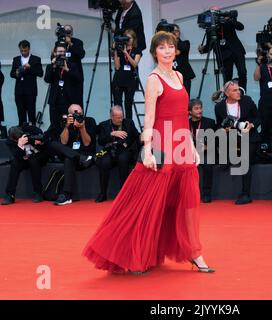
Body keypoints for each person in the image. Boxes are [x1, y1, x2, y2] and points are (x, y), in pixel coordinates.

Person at [83, 31, 214, 274]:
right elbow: (149, 118)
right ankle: (134, 253)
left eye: (171, 46)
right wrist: (148, 150)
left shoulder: (179, 75)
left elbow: (182, 117)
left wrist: (192, 146)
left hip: (181, 145)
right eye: (162, 47)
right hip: (161, 144)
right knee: (148, 203)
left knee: (186, 203)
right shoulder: (154, 79)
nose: (167, 50)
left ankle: (195, 252)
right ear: (154, 53)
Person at [215, 80, 261, 205]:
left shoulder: (247, 100)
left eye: (238, 89)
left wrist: (251, 125)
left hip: (249, 136)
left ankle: (246, 194)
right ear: (227, 93)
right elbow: (219, 124)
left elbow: (258, 117)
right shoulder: (219, 107)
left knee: (245, 163)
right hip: (231, 137)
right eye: (234, 90)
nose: (238, 92)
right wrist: (224, 129)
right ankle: (226, 159)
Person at [47, 104, 96, 205]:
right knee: (54, 144)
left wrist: (82, 128)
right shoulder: (65, 122)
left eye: (80, 113)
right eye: (74, 114)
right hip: (78, 157)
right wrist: (67, 127)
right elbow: (63, 142)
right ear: (69, 115)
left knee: (68, 159)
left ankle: (66, 195)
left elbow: (87, 143)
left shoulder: (90, 121)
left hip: (86, 154)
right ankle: (79, 157)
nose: (77, 116)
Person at [95, 105, 140, 203]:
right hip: (111, 151)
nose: (121, 119)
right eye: (118, 117)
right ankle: (103, 193)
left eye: (121, 116)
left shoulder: (129, 123)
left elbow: (137, 136)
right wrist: (111, 134)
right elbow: (101, 141)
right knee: (104, 162)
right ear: (112, 116)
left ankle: (123, 193)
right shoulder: (104, 125)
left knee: (123, 159)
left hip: (125, 151)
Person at [198, 6, 247, 91]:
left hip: (237, 51)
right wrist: (202, 50)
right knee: (227, 77)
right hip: (223, 55)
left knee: (242, 73)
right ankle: (228, 95)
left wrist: (231, 19)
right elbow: (210, 44)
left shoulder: (227, 20)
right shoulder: (210, 28)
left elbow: (241, 27)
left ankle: (242, 92)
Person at [1, 125, 49, 205]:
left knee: (33, 160)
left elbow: (44, 137)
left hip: (39, 156)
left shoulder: (29, 129)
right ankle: (10, 195)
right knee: (15, 163)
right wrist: (20, 145)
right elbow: (16, 155)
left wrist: (41, 142)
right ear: (12, 139)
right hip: (24, 159)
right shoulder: (10, 142)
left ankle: (38, 192)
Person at [44, 43, 82, 130]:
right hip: (55, 101)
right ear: (55, 53)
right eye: (59, 51)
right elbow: (47, 79)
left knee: (69, 125)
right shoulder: (50, 66)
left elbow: (78, 79)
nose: (61, 54)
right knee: (55, 125)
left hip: (68, 101)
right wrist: (53, 66)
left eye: (63, 52)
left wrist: (67, 69)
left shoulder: (71, 65)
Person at [188, 99, 216, 203]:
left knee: (207, 164)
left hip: (205, 152)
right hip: (188, 153)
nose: (200, 110)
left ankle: (206, 194)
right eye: (196, 108)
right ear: (190, 112)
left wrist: (206, 147)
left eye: (200, 108)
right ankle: (188, 194)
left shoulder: (210, 122)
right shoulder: (185, 123)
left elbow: (215, 141)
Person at [10, 40, 43, 126]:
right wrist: (16, 73)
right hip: (19, 92)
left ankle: (33, 134)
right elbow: (11, 74)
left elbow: (40, 73)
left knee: (31, 114)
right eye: (22, 51)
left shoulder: (36, 59)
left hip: (31, 91)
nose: (23, 52)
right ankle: (21, 134)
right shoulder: (16, 59)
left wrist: (30, 68)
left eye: (25, 50)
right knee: (21, 114)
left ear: (29, 49)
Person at [113, 29, 142, 120]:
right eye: (126, 38)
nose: (128, 40)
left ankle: (128, 127)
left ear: (133, 39)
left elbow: (134, 64)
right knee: (118, 105)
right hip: (118, 79)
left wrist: (126, 52)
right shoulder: (119, 49)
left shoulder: (137, 50)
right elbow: (117, 67)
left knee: (128, 105)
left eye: (129, 38)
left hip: (130, 80)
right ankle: (118, 125)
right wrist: (115, 51)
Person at [63, 25, 86, 106]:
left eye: (68, 32)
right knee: (64, 100)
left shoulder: (78, 42)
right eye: (65, 32)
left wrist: (70, 43)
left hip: (75, 75)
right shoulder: (59, 43)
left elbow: (81, 54)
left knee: (77, 100)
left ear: (72, 33)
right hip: (63, 75)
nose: (67, 34)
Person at [172, 24, 195, 96]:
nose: (175, 33)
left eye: (176, 31)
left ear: (179, 33)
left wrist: (173, 39)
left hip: (184, 76)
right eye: (172, 31)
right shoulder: (167, 46)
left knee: (185, 97)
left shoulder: (185, 43)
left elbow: (184, 48)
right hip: (171, 76)